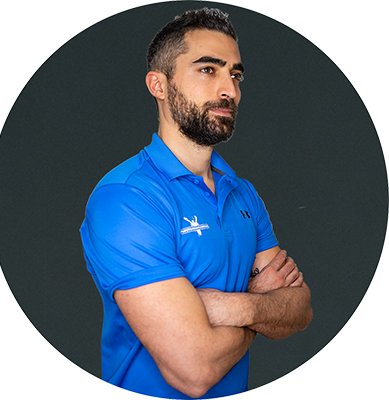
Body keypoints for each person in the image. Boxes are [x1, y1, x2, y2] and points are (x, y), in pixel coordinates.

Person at [80, 7, 312, 399]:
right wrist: (261, 302)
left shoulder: (242, 193)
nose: (229, 90)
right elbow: (194, 370)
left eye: (235, 74)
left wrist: (237, 308)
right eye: (208, 70)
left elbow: (300, 309)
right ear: (159, 85)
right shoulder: (126, 199)